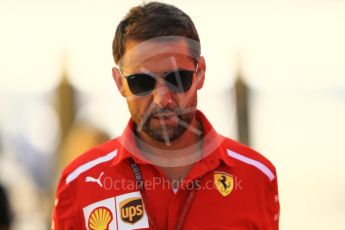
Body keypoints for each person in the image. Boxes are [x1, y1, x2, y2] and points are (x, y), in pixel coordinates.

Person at [51, 2, 280, 229]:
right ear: (120, 83)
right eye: (142, 82)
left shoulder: (257, 177)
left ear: (200, 73)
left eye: (177, 79)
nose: (163, 99)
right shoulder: (78, 182)